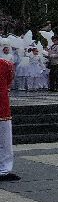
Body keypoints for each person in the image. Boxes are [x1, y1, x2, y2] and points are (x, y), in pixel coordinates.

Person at [0, 43, 16, 180]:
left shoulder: (6, 65)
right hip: (2, 106)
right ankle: (4, 168)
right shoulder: (6, 65)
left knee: (5, 140)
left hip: (3, 107)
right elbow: (9, 82)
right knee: (4, 140)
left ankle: (5, 169)